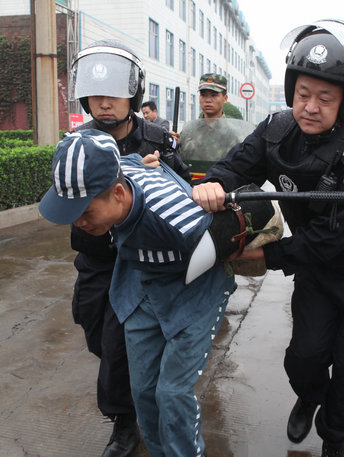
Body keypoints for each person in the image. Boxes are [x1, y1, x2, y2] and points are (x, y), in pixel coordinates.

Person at [192, 20, 344, 457]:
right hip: (317, 272)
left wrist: (267, 256)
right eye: (303, 94)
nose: (310, 107)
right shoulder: (275, 131)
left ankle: (335, 437)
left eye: (325, 98)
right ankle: (309, 396)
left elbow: (334, 238)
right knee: (304, 358)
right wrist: (213, 184)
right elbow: (236, 166)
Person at [38, 129, 233, 457]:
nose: (79, 223)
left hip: (195, 294)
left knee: (171, 394)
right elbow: (128, 160)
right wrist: (149, 161)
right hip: (141, 283)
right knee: (142, 391)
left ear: (117, 193)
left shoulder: (177, 220)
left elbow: (235, 246)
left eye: (85, 212)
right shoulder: (122, 168)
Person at [69, 39, 191, 457]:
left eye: (114, 95)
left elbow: (184, 196)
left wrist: (160, 174)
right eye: (96, 95)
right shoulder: (76, 142)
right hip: (96, 257)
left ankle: (125, 423)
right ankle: (131, 391)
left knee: (119, 341)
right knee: (94, 328)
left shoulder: (157, 141)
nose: (104, 104)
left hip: (140, 263)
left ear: (132, 94)